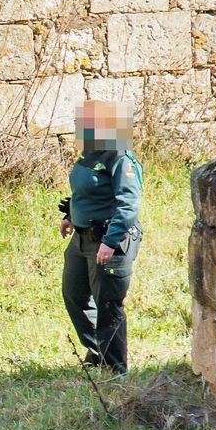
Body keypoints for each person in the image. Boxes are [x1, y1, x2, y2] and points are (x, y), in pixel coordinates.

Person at [60, 99, 142, 375]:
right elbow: (89, 191)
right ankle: (98, 352)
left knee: (108, 303)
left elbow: (128, 203)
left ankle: (116, 369)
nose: (78, 128)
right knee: (75, 295)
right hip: (82, 238)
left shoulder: (120, 156)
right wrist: (71, 214)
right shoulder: (90, 152)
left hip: (108, 241)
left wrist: (110, 241)